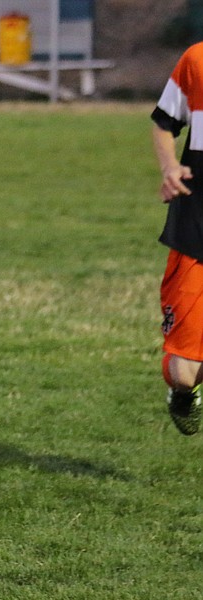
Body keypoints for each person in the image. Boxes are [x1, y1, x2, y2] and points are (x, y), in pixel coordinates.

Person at [153, 41, 203, 436]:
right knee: (184, 373)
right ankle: (183, 395)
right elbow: (165, 121)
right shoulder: (197, 60)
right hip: (196, 229)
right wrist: (170, 165)